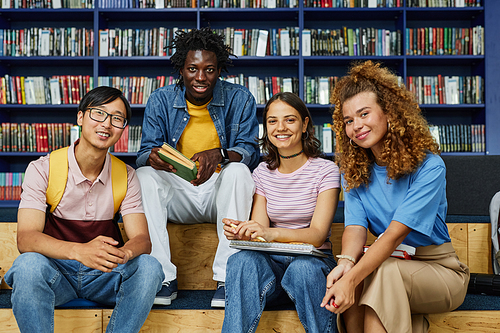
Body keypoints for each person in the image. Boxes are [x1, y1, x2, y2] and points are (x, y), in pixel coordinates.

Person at [321, 60, 470, 333]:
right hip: (392, 265)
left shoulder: (430, 166)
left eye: (365, 114)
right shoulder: (354, 171)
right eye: (349, 120)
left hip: (439, 271)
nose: (357, 126)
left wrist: (351, 278)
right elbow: (355, 227)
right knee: (361, 273)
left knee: (377, 273)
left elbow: (394, 236)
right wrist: (345, 264)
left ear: (389, 112)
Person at [4, 86, 164, 333]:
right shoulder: (43, 169)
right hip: (58, 274)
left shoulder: (127, 175)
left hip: (104, 274)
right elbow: (26, 239)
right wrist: (80, 251)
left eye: (117, 119)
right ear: (80, 117)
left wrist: (124, 255)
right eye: (98, 113)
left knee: (150, 268)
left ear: (123, 129)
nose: (107, 124)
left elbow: (142, 240)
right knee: (27, 266)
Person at [135, 27, 259, 308]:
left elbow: (251, 153)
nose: (201, 77)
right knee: (143, 175)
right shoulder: (160, 100)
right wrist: (152, 158)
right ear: (181, 69)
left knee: (239, 171)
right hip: (180, 192)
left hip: (220, 193)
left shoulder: (241, 99)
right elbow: (144, 153)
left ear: (219, 71)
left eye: (209, 69)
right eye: (193, 69)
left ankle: (229, 278)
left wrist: (220, 154)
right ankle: (162, 277)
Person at [221, 92, 341, 333]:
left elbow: (318, 235)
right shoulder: (262, 172)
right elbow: (260, 231)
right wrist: (244, 233)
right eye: (272, 121)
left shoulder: (326, 171)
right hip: (272, 273)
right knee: (241, 260)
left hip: (313, 268)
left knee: (303, 268)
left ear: (305, 124)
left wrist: (270, 233)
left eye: (290, 120)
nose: (280, 128)